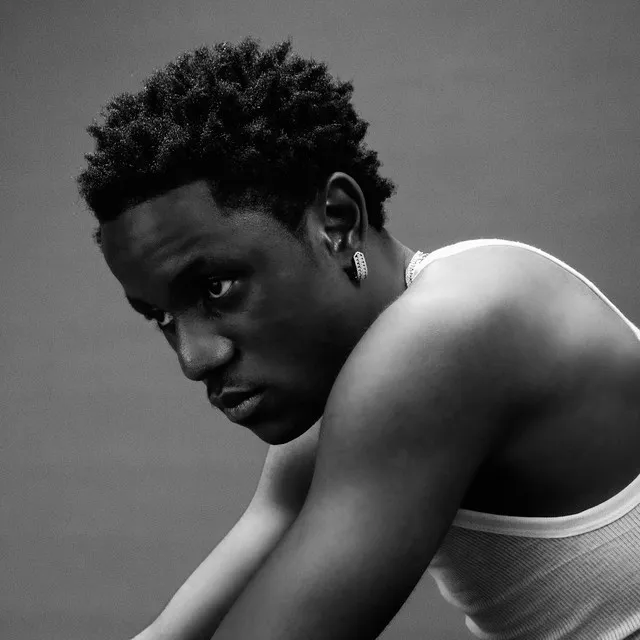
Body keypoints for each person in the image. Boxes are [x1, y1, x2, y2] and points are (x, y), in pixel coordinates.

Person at [77, 38, 640, 640]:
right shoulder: (339, 408)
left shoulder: (449, 330)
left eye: (216, 287)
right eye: (161, 317)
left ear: (338, 222)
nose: (194, 359)